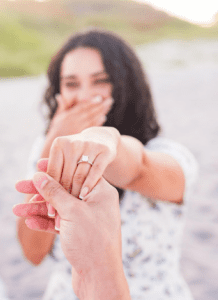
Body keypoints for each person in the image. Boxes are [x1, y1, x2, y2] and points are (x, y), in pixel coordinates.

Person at [14, 28, 198, 300]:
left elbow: (136, 168)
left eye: (101, 81)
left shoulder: (169, 155)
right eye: (72, 84)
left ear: (126, 85)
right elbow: (32, 253)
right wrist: (53, 139)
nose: (86, 96)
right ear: (58, 92)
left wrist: (106, 139)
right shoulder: (49, 148)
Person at [13, 172, 131, 300]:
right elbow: (33, 253)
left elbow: (138, 168)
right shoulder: (51, 157)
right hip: (70, 290)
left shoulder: (142, 160)